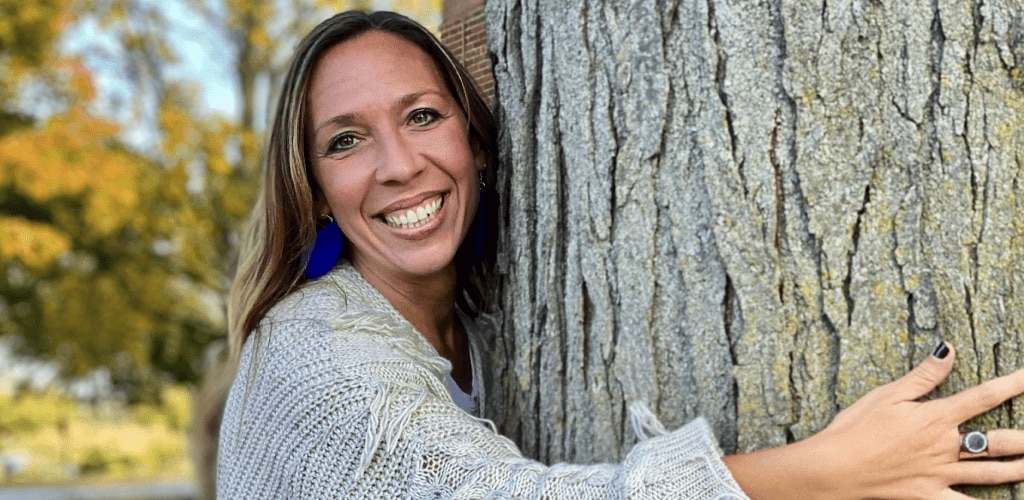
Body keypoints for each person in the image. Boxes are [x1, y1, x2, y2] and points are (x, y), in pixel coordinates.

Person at [214, 9, 1024, 498]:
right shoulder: (312, 350)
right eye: (348, 140)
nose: (398, 164)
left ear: (474, 138)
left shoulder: (487, 321)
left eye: (422, 116)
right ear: (313, 186)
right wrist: (829, 470)